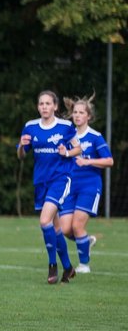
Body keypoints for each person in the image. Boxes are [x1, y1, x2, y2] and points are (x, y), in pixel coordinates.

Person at [17, 89, 78, 284]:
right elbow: (22, 155)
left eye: (48, 103)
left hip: (60, 179)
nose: (44, 107)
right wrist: (20, 145)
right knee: (56, 227)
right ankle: (68, 268)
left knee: (45, 221)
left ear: (55, 106)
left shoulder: (65, 126)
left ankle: (52, 266)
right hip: (41, 182)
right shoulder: (30, 127)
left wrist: (66, 153)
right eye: (41, 104)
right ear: (38, 107)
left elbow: (78, 148)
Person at [61, 94, 114, 274]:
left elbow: (109, 161)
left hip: (89, 185)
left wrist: (88, 162)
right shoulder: (68, 136)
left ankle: (84, 265)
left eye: (81, 112)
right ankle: (87, 241)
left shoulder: (95, 137)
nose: (77, 115)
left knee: (77, 226)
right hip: (70, 186)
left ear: (88, 116)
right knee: (65, 229)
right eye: (75, 112)